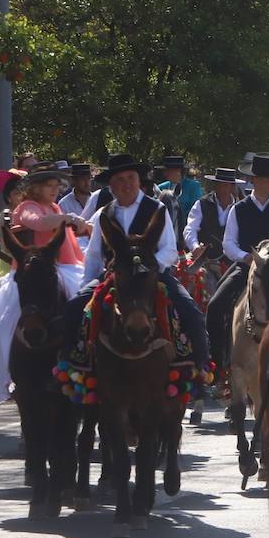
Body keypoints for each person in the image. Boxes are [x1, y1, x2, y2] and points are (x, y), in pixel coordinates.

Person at [60, 153, 211, 390]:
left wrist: (145, 270)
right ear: (111, 186)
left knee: (190, 310)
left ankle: (199, 365)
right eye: (119, 180)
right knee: (73, 308)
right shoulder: (103, 214)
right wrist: (87, 287)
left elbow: (169, 251)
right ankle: (71, 365)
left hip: (153, 275)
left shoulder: (157, 208)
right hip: (115, 276)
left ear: (139, 180)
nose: (126, 184)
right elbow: (94, 256)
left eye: (131, 178)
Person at [0, 164, 88, 421]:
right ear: (36, 188)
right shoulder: (27, 207)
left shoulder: (56, 207)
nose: (54, 191)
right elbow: (38, 224)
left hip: (67, 268)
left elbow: (70, 231)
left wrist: (88, 227)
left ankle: (85, 360)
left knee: (88, 303)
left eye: (56, 186)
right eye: (49, 186)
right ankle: (6, 372)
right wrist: (68, 220)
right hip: (36, 271)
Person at [206, 154, 269, 385]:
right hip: (246, 267)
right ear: (256, 180)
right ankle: (220, 363)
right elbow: (228, 243)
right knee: (215, 306)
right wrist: (245, 258)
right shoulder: (239, 209)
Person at [184, 167, 241, 263]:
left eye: (226, 185)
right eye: (220, 185)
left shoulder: (240, 208)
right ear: (215, 186)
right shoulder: (202, 204)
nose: (223, 189)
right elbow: (190, 228)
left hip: (231, 262)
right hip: (204, 260)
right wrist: (195, 247)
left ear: (232, 187)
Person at [156, 154, 204, 233]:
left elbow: (196, 212)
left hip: (185, 231)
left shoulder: (193, 187)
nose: (165, 173)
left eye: (168, 170)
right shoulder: (161, 188)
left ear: (178, 171)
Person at [58, 163, 94, 230]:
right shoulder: (64, 204)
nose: (87, 183)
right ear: (74, 180)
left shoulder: (96, 199)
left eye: (89, 178)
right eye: (83, 179)